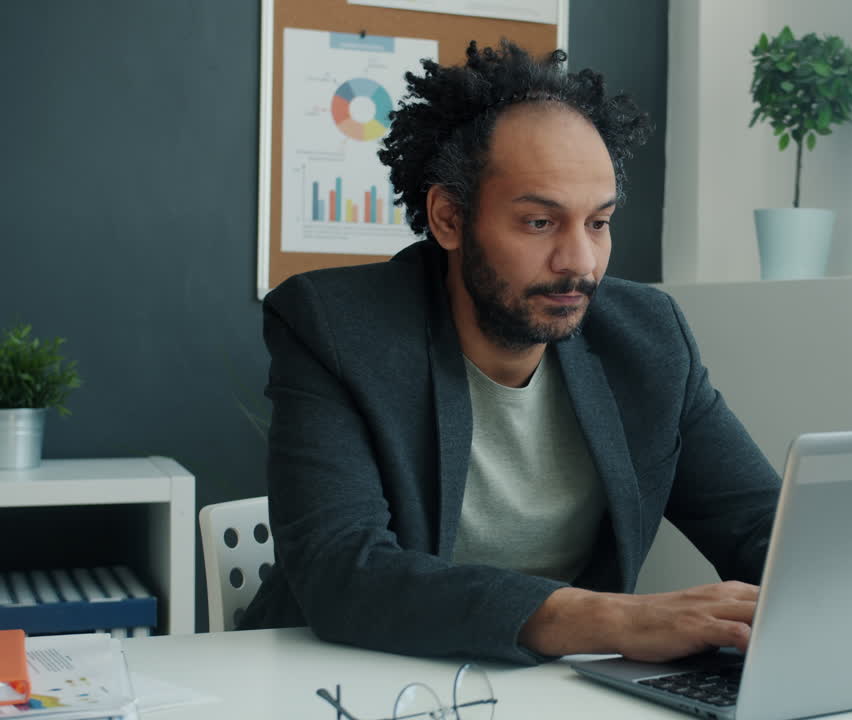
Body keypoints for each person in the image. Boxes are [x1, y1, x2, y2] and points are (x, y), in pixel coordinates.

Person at [239, 41, 781, 665]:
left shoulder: (650, 338)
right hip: (347, 679)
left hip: (549, 693)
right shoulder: (337, 327)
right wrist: (606, 617)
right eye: (539, 223)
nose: (579, 261)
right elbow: (343, 570)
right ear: (448, 218)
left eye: (598, 223)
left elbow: (761, 526)